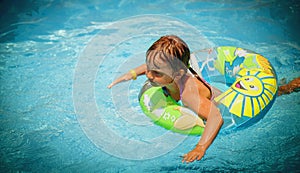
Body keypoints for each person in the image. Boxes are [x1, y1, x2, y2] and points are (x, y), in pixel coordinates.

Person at [107, 35, 223, 163]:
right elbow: (150, 66)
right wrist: (132, 74)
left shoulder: (188, 95)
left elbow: (216, 117)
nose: (149, 76)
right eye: (149, 69)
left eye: (157, 73)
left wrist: (200, 147)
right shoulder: (166, 72)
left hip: (222, 104)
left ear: (178, 74)